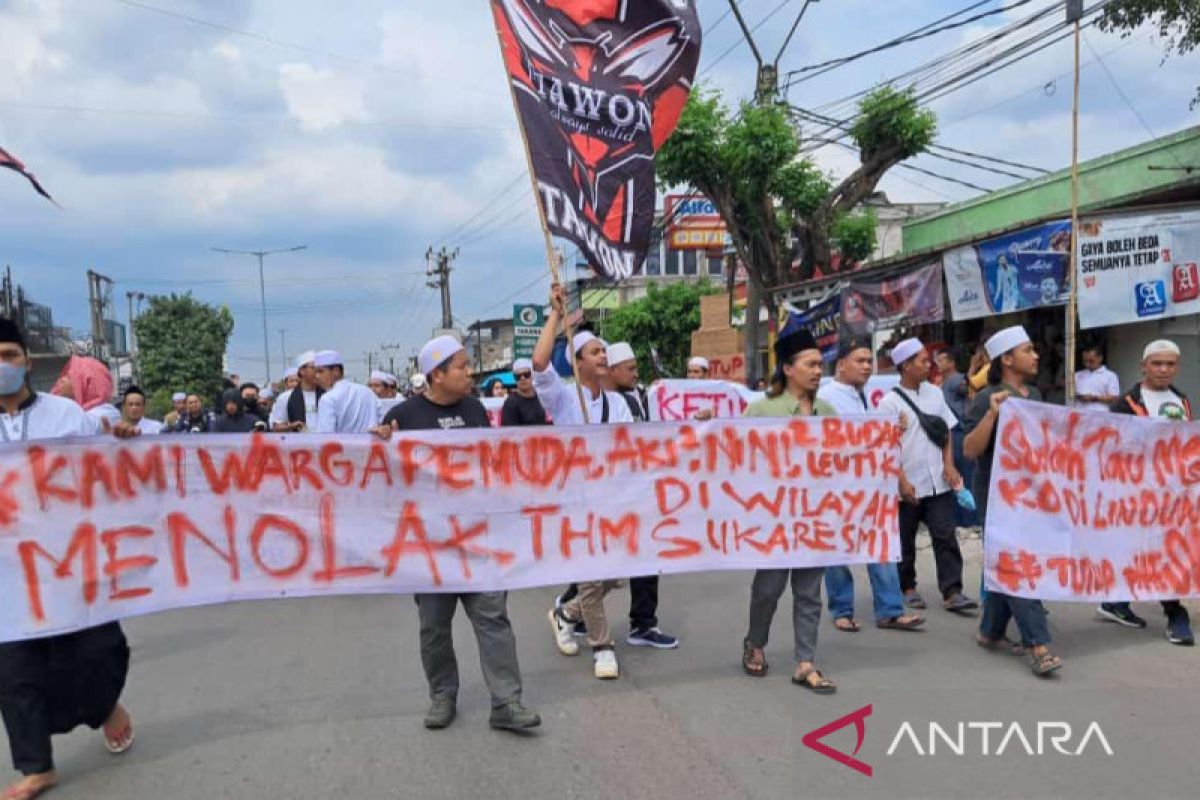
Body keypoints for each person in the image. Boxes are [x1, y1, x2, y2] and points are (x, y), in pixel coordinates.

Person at [374, 335, 540, 733]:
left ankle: (506, 702)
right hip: (429, 546)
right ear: (437, 374)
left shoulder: (476, 410)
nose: (469, 373)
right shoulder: (403, 415)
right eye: (462, 366)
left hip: (477, 540)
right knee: (434, 627)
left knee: (493, 618)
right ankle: (442, 695)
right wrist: (379, 445)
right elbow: (383, 478)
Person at [0, 318, 136, 800]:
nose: (2, 367)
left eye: (9, 356)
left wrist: (120, 446)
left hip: (68, 556)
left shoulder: (65, 415)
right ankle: (37, 766)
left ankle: (105, 707)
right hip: (8, 571)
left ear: (28, 363)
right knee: (14, 668)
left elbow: (101, 470)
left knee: (93, 649)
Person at [534, 284, 633, 680]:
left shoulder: (617, 403)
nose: (603, 356)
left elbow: (632, 443)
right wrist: (556, 315)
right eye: (595, 351)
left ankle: (565, 612)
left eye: (604, 352)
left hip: (609, 499)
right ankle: (602, 647)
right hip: (574, 500)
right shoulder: (562, 398)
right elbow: (540, 364)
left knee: (616, 574)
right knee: (592, 576)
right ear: (577, 362)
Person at [741, 328, 837, 693]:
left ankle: (805, 662)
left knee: (810, 591)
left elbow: (848, 457)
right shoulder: (761, 411)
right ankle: (755, 642)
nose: (817, 371)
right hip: (774, 517)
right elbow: (735, 454)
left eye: (820, 364)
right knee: (768, 588)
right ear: (788, 368)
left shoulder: (828, 412)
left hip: (815, 517)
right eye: (810, 364)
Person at [964, 325, 1062, 676]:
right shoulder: (986, 397)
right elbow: (970, 449)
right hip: (996, 497)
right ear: (1007, 359)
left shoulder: (1034, 394)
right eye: (1028, 350)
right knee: (1019, 567)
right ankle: (1038, 644)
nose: (1036, 356)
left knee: (1011, 565)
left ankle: (990, 631)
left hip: (1031, 498)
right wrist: (991, 414)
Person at [816, 338, 926, 633]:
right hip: (837, 489)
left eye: (869, 362)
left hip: (868, 489)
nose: (867, 367)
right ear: (841, 365)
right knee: (838, 551)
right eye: (860, 361)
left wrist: (890, 432)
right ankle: (841, 609)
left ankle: (890, 610)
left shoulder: (860, 396)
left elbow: (867, 440)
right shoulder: (826, 397)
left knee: (881, 546)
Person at [1096, 339, 1194, 645]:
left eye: (1170, 364)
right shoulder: (1126, 402)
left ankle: (1118, 602)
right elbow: (1108, 445)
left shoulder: (1181, 399)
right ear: (1144, 366)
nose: (1163, 370)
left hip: (1173, 492)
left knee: (1166, 549)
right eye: (1157, 363)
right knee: (1147, 550)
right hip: (1138, 492)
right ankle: (1176, 614)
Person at [879, 339, 977, 615]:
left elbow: (945, 431)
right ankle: (907, 587)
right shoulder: (889, 403)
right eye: (922, 360)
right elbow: (888, 446)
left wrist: (949, 465)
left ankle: (952, 591)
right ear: (906, 366)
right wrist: (901, 481)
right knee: (905, 538)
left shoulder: (935, 393)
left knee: (945, 534)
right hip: (907, 482)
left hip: (938, 480)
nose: (928, 364)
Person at [600, 341, 678, 648]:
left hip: (639, 492)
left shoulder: (641, 398)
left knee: (647, 558)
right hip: (610, 496)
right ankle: (571, 610)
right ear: (614, 370)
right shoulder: (602, 402)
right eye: (630, 369)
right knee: (600, 563)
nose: (635, 373)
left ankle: (644, 623)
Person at [936, 348, 976, 528]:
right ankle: (960, 519)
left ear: (951, 363)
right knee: (955, 475)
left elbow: (966, 386)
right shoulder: (943, 383)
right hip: (951, 433)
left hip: (959, 431)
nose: (938, 363)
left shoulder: (955, 379)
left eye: (942, 360)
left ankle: (969, 519)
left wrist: (973, 370)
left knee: (964, 474)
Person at [49, 355, 119, 434]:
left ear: (88, 383)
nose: (61, 379)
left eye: (69, 376)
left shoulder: (107, 413)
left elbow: (82, 426)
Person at [314, 351, 380, 434]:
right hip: (370, 446)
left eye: (320, 371)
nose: (316, 376)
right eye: (316, 372)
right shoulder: (367, 392)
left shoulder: (328, 399)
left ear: (336, 371)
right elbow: (381, 422)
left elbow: (325, 438)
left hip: (342, 447)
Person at [271, 352, 322, 432]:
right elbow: (276, 427)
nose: (318, 372)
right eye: (314, 368)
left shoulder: (327, 395)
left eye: (320, 369)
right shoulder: (286, 397)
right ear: (302, 371)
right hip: (298, 442)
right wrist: (291, 426)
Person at [499, 358, 548, 426]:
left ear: (532, 375)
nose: (522, 378)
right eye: (518, 376)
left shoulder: (540, 397)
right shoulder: (511, 403)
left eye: (526, 374)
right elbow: (508, 432)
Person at [1074, 344, 1120, 414]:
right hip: (1079, 414)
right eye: (1085, 361)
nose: (1087, 364)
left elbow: (1114, 398)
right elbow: (1071, 393)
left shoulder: (1110, 376)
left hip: (1100, 415)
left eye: (1091, 361)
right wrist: (1079, 396)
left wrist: (1094, 398)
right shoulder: (1077, 375)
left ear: (1100, 358)